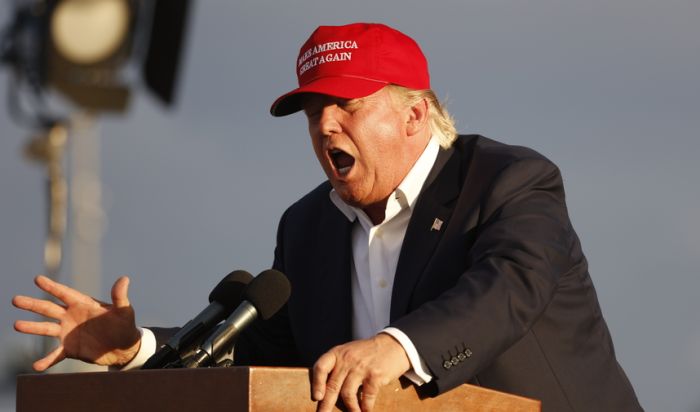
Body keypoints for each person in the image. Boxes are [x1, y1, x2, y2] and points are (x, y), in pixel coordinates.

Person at [13, 23, 642, 411]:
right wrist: (137, 347)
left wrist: (395, 348)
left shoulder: (510, 181)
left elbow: (508, 289)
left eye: (346, 105)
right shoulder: (308, 226)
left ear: (414, 115)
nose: (325, 126)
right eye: (314, 112)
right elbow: (267, 352)